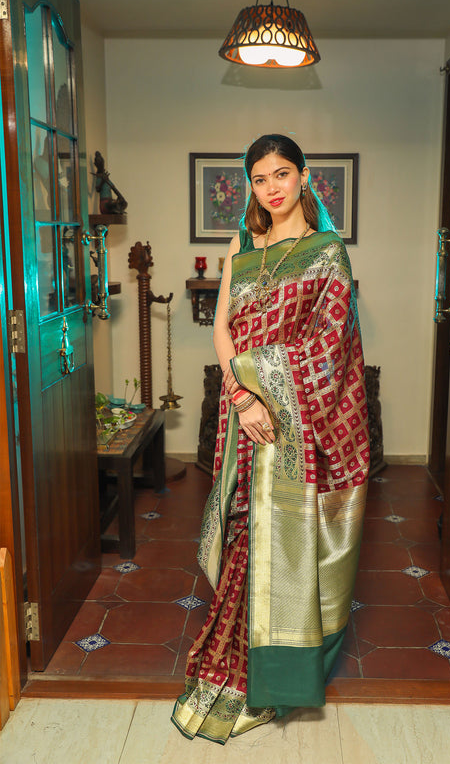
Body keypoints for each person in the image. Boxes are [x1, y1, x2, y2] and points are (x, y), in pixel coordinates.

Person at [172, 134, 369, 744]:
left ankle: (281, 675)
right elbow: (224, 330)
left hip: (298, 427)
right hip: (248, 417)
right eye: (259, 179)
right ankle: (239, 662)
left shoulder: (326, 253)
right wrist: (241, 395)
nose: (271, 188)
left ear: (305, 176)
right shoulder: (242, 243)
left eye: (282, 174)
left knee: (280, 543)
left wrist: (271, 397)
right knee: (242, 536)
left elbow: (328, 348)